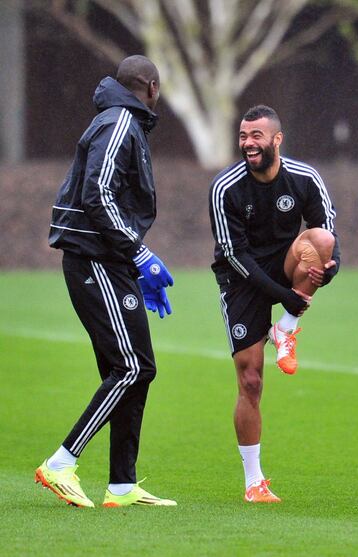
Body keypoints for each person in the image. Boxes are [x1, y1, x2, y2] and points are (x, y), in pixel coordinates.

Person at [35, 55, 177, 508]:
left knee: (139, 368)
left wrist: (132, 261)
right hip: (94, 260)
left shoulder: (122, 121)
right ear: (152, 87)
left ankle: (121, 484)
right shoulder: (118, 122)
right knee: (130, 367)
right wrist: (140, 253)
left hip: (110, 260)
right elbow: (98, 194)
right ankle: (60, 463)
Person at [208, 105, 340, 503]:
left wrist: (330, 270)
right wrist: (285, 296)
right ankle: (254, 482)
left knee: (321, 242)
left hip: (284, 266)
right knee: (251, 379)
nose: (248, 143)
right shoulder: (226, 187)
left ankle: (284, 327)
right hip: (241, 278)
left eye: (256, 136)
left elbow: (327, 231)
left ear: (276, 140)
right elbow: (235, 255)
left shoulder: (304, 178)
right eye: (243, 136)